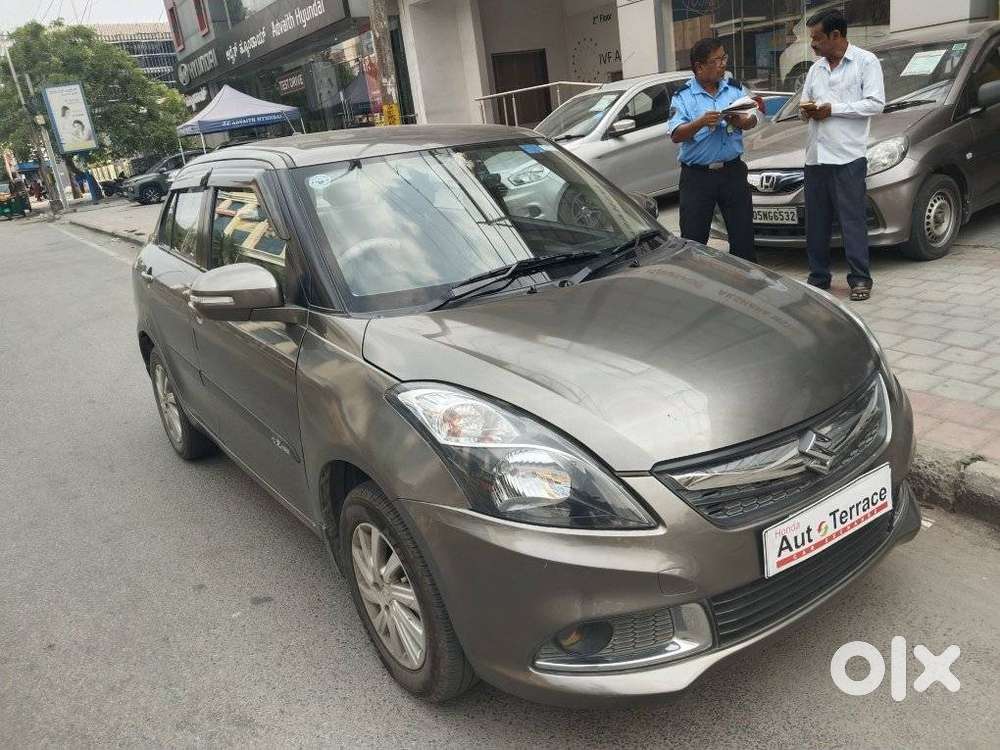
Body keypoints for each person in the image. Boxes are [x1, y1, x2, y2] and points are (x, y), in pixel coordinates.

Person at [799, 8, 885, 301]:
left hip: (848, 157)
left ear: (836, 35)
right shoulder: (816, 68)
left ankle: (860, 279)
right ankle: (818, 277)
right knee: (816, 223)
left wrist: (832, 109)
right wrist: (807, 110)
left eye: (817, 37)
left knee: (852, 222)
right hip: (816, 158)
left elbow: (875, 104)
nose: (813, 44)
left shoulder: (865, 62)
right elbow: (804, 104)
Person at [667, 37, 759, 262]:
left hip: (732, 172)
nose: (723, 64)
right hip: (698, 177)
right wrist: (699, 122)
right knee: (694, 238)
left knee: (743, 235)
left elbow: (752, 119)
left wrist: (741, 121)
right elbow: (676, 135)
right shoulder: (683, 96)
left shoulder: (734, 88)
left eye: (724, 58)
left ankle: (747, 286)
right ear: (699, 67)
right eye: (717, 60)